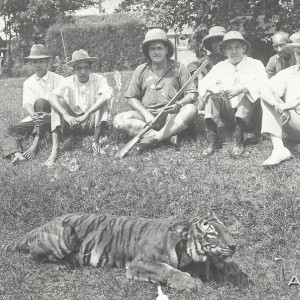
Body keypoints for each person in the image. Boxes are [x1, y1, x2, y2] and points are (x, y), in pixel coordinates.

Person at [113, 28, 198, 152]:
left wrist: (179, 104)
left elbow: (192, 93)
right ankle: (168, 136)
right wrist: (146, 114)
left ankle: (154, 139)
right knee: (118, 120)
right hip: (147, 119)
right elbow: (131, 98)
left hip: (172, 117)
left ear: (166, 50)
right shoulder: (141, 70)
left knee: (191, 109)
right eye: (152, 48)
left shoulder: (179, 68)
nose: (156, 52)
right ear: (148, 51)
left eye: (159, 48)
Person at [198, 31, 268, 157]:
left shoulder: (255, 64)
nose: (234, 51)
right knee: (212, 96)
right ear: (225, 52)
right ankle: (213, 141)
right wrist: (217, 89)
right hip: (229, 115)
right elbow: (203, 84)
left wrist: (243, 89)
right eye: (229, 48)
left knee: (246, 93)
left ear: (244, 48)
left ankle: (238, 140)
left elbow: (264, 84)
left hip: (252, 116)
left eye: (237, 47)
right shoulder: (220, 67)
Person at [45, 49, 113, 166]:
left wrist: (87, 115)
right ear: (74, 69)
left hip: (91, 121)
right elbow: (52, 97)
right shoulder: (68, 81)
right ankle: (54, 150)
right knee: (57, 102)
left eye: (86, 67)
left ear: (91, 68)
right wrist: (66, 115)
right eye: (79, 68)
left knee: (103, 101)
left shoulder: (99, 79)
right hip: (72, 121)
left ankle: (95, 143)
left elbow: (106, 96)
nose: (83, 71)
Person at [0, 44, 63, 164]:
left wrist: (48, 117)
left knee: (41, 102)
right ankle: (17, 154)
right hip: (35, 120)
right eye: (34, 62)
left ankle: (36, 143)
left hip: (53, 119)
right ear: (31, 63)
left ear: (47, 62)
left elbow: (62, 104)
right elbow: (28, 103)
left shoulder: (58, 79)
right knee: (6, 129)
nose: (38, 65)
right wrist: (33, 114)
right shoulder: (28, 82)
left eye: (41, 61)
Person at [260, 33, 300, 166]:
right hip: (295, 124)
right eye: (298, 53)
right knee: (267, 96)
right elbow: (264, 89)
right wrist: (278, 105)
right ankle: (279, 149)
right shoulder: (289, 72)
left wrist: (291, 104)